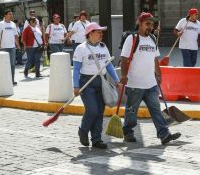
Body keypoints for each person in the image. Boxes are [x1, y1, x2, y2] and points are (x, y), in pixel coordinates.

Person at [120, 12, 181, 145]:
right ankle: (128, 131)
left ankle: (164, 134)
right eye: (147, 24)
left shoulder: (153, 38)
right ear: (139, 24)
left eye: (152, 24)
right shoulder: (132, 38)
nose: (150, 27)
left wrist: (158, 74)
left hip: (151, 83)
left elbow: (155, 59)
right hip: (135, 84)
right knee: (131, 111)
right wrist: (124, 76)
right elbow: (124, 59)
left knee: (156, 109)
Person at [73, 22, 120, 149]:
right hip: (86, 83)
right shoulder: (81, 48)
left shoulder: (103, 47)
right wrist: (75, 86)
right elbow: (76, 69)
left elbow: (109, 65)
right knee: (92, 110)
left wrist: (116, 80)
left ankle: (96, 139)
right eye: (98, 32)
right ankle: (83, 130)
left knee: (100, 112)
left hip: (102, 81)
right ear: (90, 34)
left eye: (101, 32)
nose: (101, 34)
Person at [0, 10, 20, 85]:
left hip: (12, 47)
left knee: (12, 65)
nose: (11, 15)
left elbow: (16, 35)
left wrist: (18, 44)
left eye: (12, 14)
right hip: (3, 47)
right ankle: (4, 80)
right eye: (10, 14)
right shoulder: (1, 24)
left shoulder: (13, 24)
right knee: (4, 65)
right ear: (5, 15)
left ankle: (12, 80)